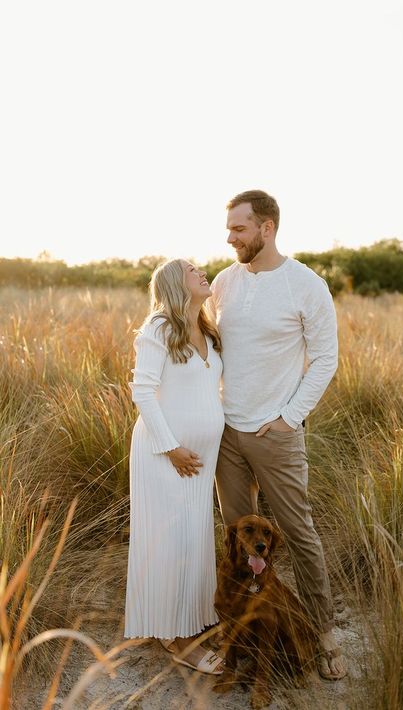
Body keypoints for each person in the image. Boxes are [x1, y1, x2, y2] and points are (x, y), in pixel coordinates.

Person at [209, 190, 347, 680]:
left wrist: (290, 417)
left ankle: (325, 634)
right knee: (237, 539)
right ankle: (241, 630)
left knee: (298, 533)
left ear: (266, 228)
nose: (230, 238)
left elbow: (326, 358)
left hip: (276, 433)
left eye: (239, 230)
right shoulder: (225, 282)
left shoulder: (306, 285)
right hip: (227, 433)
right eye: (229, 229)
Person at [124, 258, 224, 675]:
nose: (201, 271)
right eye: (190, 269)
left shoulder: (209, 330)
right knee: (173, 542)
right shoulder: (159, 328)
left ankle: (182, 622)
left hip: (202, 460)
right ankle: (181, 642)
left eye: (200, 267)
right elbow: (143, 392)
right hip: (166, 456)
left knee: (193, 539)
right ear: (172, 282)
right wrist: (172, 448)